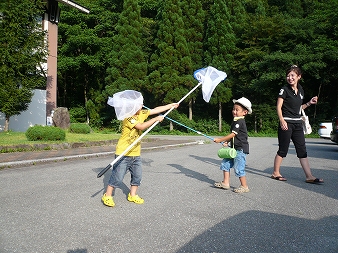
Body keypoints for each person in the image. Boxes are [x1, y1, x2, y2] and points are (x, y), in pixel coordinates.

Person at [102, 96, 179, 207]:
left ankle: (132, 195)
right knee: (118, 177)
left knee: (137, 176)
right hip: (123, 153)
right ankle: (108, 195)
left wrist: (170, 105)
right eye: (139, 104)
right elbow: (141, 126)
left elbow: (155, 110)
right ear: (132, 107)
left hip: (135, 154)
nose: (142, 106)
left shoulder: (141, 113)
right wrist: (155, 119)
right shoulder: (128, 117)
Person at [271, 65, 324, 184]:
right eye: (288, 75)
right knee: (283, 150)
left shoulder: (301, 91)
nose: (290, 78)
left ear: (299, 76)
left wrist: (309, 103)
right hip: (286, 123)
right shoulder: (284, 90)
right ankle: (275, 172)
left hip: (297, 124)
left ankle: (309, 176)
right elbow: (279, 106)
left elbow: (299, 108)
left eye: (292, 75)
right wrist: (282, 120)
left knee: (302, 150)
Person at [214, 97, 252, 193]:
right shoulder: (235, 120)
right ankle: (225, 183)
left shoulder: (239, 121)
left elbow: (233, 134)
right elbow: (234, 136)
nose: (234, 111)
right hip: (234, 148)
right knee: (225, 163)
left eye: (237, 110)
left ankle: (244, 186)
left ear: (245, 112)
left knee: (239, 168)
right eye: (234, 109)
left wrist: (220, 140)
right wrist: (227, 141)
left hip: (240, 149)